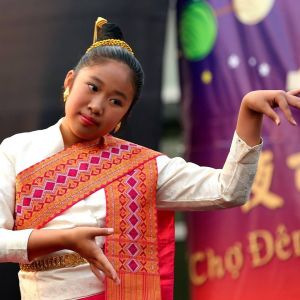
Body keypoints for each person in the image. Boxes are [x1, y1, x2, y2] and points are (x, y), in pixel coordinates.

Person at [0, 16, 300, 300]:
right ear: (69, 82)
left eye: (116, 101)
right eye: (92, 87)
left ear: (125, 114)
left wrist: (248, 112)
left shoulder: (140, 168)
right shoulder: (16, 151)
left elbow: (229, 190)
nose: (97, 106)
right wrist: (64, 239)